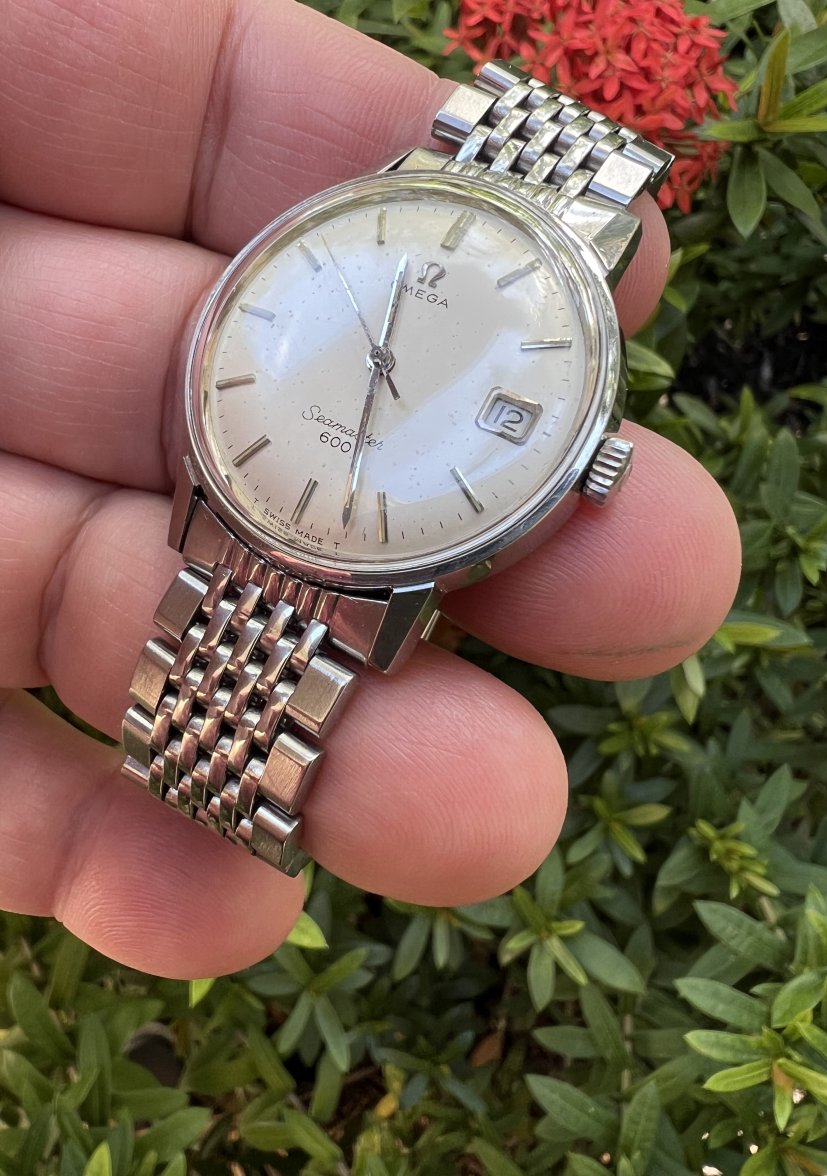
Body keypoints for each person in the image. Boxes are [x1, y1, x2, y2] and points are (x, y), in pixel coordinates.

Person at [0, 0, 741, 980]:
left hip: (370, 557)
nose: (389, 362)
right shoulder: (378, 214)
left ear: (589, 463)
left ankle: (207, 765)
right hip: (233, 489)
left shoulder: (563, 335)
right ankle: (200, 757)